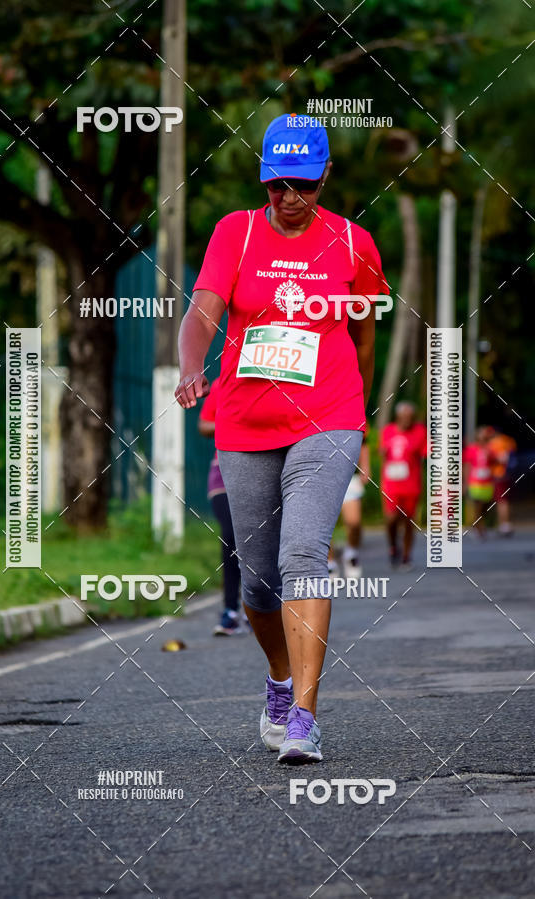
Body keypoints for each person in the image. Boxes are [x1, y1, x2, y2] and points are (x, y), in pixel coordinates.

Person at [175, 113, 389, 763]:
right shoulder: (235, 235)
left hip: (328, 414)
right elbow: (203, 311)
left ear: (326, 176)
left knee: (304, 553)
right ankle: (279, 678)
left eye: (303, 184)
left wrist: (362, 408)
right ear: (262, 180)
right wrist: (191, 367)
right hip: (245, 424)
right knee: (260, 584)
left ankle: (304, 717)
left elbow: (365, 335)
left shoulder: (354, 244)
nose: (289, 198)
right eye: (276, 185)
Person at [198, 379, 244, 635]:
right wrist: (236, 426)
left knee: (259, 540)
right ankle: (230, 610)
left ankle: (259, 607)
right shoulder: (221, 384)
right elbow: (204, 424)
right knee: (230, 535)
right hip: (223, 471)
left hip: (264, 470)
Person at [380, 402, 427, 569]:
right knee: (391, 518)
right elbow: (383, 453)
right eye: (403, 416)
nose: (407, 420)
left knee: (408, 520)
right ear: (398, 416)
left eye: (410, 417)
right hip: (392, 483)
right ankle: (393, 546)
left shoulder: (420, 431)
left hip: (411, 484)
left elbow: (426, 452)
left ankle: (407, 556)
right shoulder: (388, 430)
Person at [328, 430, 370, 578]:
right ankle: (329, 562)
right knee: (324, 525)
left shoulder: (350, 409)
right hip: (324, 477)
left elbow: (363, 442)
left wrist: (365, 466)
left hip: (350, 476)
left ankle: (351, 553)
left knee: (354, 522)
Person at [463, 427, 496, 538]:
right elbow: (467, 466)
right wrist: (465, 482)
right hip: (475, 482)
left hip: (487, 482)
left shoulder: (490, 449)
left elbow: (494, 463)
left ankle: (478, 523)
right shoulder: (471, 449)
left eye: (485, 437)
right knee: (478, 505)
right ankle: (479, 527)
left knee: (485, 506)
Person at [487, 428, 517, 536]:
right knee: (504, 499)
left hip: (497, 474)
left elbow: (498, 458)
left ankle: (503, 524)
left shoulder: (493, 444)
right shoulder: (508, 441)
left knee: (500, 501)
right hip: (507, 474)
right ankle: (504, 523)